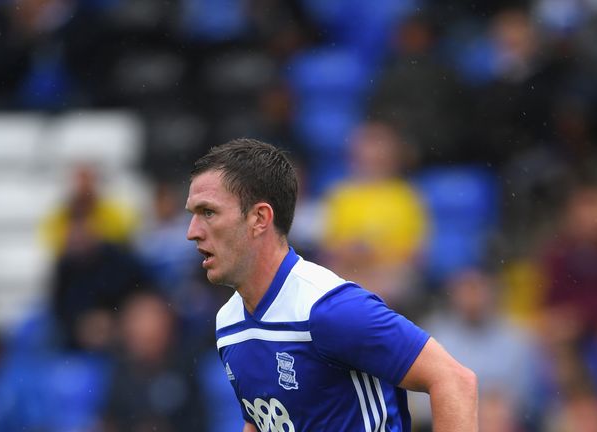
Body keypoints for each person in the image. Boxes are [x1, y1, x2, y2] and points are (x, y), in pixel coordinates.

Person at [185, 139, 478, 431]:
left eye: (208, 212)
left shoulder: (330, 309)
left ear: (260, 218)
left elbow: (454, 380)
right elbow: (262, 422)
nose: (192, 232)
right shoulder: (228, 323)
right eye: (193, 215)